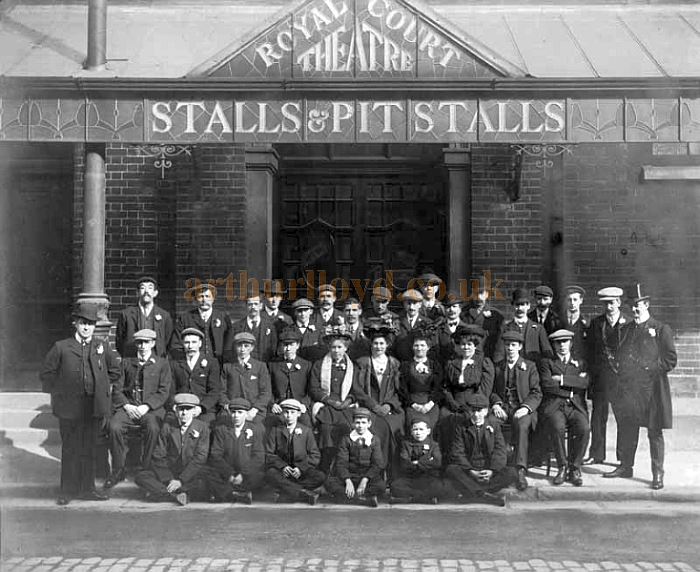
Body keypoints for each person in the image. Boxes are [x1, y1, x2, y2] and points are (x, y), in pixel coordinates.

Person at [40, 305, 120, 505]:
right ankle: (67, 491)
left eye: (90, 324)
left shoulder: (101, 347)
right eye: (83, 323)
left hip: (93, 407)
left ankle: (88, 489)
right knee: (71, 449)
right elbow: (46, 374)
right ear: (75, 324)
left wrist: (102, 387)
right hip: (69, 408)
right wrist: (60, 392)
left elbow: (115, 371)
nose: (86, 328)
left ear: (94, 327)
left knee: (90, 449)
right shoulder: (61, 347)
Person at [604, 287, 677, 490]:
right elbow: (619, 355)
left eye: (638, 305)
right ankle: (626, 466)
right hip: (631, 390)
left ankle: (657, 474)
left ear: (647, 305)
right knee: (628, 428)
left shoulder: (661, 329)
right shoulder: (626, 329)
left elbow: (670, 360)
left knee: (654, 432)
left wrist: (649, 368)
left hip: (652, 390)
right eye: (632, 306)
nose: (635, 309)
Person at [105, 328, 173, 489]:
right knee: (114, 427)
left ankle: (146, 468)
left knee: (153, 427)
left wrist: (147, 406)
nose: (143, 346)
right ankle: (118, 469)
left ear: (153, 344)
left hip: (150, 410)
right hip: (128, 407)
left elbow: (164, 391)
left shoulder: (162, 364)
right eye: (140, 342)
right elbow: (117, 389)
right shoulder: (126, 363)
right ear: (136, 344)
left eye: (146, 342)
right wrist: (127, 406)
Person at [134, 393, 210, 505]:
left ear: (194, 411)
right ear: (176, 410)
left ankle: (165, 493)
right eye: (181, 409)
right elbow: (158, 454)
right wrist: (170, 479)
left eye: (188, 409)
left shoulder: (202, 427)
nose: (184, 413)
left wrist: (181, 480)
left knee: (207, 480)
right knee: (141, 477)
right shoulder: (168, 426)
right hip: (170, 472)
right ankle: (176, 495)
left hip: (190, 473)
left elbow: (200, 457)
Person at [490, 330, 542, 491]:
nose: (510, 348)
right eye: (507, 345)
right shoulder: (498, 366)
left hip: (522, 408)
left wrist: (526, 408)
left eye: (513, 345)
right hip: (503, 407)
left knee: (522, 425)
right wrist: (496, 404)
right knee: (490, 423)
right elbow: (491, 390)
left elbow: (536, 392)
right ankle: (495, 466)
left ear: (519, 347)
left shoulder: (529, 367)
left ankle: (520, 469)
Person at [538, 329, 590, 486]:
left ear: (570, 343)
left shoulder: (580, 363)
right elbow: (547, 386)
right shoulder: (546, 363)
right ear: (553, 345)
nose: (562, 346)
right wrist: (573, 382)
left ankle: (575, 468)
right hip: (555, 406)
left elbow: (585, 383)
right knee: (557, 427)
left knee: (584, 428)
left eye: (565, 342)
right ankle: (562, 466)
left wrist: (560, 379)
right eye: (558, 343)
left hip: (575, 406)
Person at [445, 393, 515, 506]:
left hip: (488, 471)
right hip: (470, 470)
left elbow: (500, 450)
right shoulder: (461, 427)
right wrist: (471, 471)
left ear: (486, 411)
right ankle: (484, 495)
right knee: (451, 469)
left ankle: (473, 493)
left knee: (512, 473)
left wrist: (492, 471)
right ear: (468, 411)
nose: (476, 414)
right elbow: (457, 452)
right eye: (473, 410)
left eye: (480, 410)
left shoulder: (494, 425)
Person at [353, 322, 404, 476]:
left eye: (382, 343)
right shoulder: (362, 362)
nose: (378, 346)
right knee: (376, 428)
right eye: (375, 343)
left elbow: (400, 390)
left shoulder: (395, 364)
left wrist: (389, 405)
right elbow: (357, 388)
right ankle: (374, 474)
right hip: (369, 407)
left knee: (394, 428)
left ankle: (392, 474)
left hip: (390, 408)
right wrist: (373, 406)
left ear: (387, 345)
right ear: (371, 344)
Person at [584, 286, 627, 466]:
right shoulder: (596, 323)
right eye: (606, 303)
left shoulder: (628, 323)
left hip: (621, 380)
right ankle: (597, 454)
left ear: (618, 302)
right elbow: (590, 351)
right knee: (598, 417)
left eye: (612, 303)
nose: (609, 307)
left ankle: (624, 458)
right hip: (601, 379)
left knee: (622, 418)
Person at [439, 325, 494, 458]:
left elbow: (484, 389)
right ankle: (448, 458)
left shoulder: (483, 363)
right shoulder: (452, 363)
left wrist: (472, 405)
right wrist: (453, 404)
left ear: (475, 346)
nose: (466, 347)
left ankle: (470, 458)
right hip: (454, 402)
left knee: (468, 419)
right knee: (444, 417)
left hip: (475, 403)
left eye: (469, 344)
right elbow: (445, 387)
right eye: (463, 344)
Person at [309, 325, 358, 471]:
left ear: (345, 349)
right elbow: (314, 388)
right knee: (326, 430)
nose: (336, 350)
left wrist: (347, 402)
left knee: (348, 430)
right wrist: (330, 401)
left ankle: (343, 468)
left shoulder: (352, 367)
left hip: (346, 407)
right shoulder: (319, 365)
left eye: (339, 347)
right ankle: (324, 468)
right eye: (333, 347)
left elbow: (356, 389)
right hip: (327, 406)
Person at [204, 398, 265, 504]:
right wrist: (229, 474)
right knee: (208, 473)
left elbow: (258, 456)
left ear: (246, 414)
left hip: (245, 474)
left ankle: (225, 493)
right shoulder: (221, 429)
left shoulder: (255, 429)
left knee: (261, 475)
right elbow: (215, 454)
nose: (236, 416)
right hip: (227, 474)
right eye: (233, 412)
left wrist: (243, 474)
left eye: (240, 412)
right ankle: (238, 494)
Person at [265, 399, 325, 505]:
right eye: (286, 412)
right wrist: (282, 466)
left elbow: (315, 455)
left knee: (320, 476)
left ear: (298, 414)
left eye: (292, 412)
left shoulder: (306, 431)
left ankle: (288, 492)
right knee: (270, 474)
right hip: (284, 472)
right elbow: (269, 454)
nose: (289, 415)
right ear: (282, 414)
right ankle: (303, 494)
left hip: (301, 473)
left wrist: (301, 468)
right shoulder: (275, 430)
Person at [325, 408, 386, 507]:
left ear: (369, 424)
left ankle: (348, 498)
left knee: (381, 486)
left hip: (367, 476)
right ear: (353, 423)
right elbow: (341, 463)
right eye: (357, 422)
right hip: (350, 475)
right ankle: (363, 500)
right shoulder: (346, 439)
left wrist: (365, 480)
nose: (360, 426)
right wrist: (347, 480)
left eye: (363, 422)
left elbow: (377, 464)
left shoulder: (374, 440)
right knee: (329, 483)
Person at [390, 418, 456, 504]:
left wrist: (417, 462)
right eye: (415, 429)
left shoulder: (434, 445)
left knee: (442, 486)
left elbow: (437, 463)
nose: (418, 433)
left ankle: (411, 498)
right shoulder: (406, 444)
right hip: (411, 478)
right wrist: (427, 461)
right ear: (411, 431)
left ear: (428, 431)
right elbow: (404, 463)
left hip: (428, 477)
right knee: (395, 486)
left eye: (421, 429)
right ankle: (423, 498)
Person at [169, 327, 222, 426]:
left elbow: (214, 391)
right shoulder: (175, 363)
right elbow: (170, 389)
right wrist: (175, 406)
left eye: (194, 342)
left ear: (200, 343)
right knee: (168, 426)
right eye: (187, 342)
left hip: (202, 409)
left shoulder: (211, 363)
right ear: (182, 344)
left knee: (204, 427)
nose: (190, 346)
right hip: (180, 407)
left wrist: (201, 407)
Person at [220, 332, 271, 427]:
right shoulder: (227, 367)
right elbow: (221, 391)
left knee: (258, 429)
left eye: (246, 346)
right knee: (223, 428)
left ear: (252, 348)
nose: (242, 349)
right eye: (239, 345)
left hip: (254, 410)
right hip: (232, 409)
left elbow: (266, 392)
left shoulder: (260, 366)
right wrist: (227, 406)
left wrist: (255, 409)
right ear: (235, 347)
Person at [115, 276, 173, 359]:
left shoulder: (164, 316)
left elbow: (168, 341)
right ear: (137, 292)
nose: (146, 291)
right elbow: (119, 341)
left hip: (156, 361)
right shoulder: (126, 314)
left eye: (150, 288)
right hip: (133, 360)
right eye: (142, 288)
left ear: (155, 293)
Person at [174, 283, 232, 365]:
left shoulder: (223, 317)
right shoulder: (185, 318)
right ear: (195, 299)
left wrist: (225, 361)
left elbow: (229, 343)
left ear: (213, 298)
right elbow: (176, 344)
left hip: (218, 364)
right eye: (200, 296)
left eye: (207, 296)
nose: (204, 300)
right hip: (193, 364)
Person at [267, 328, 313, 427]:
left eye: (291, 345)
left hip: (298, 406)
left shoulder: (306, 365)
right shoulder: (273, 365)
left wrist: (304, 404)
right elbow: (267, 388)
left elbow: (311, 389)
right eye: (285, 345)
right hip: (279, 406)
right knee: (271, 424)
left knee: (306, 425)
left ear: (297, 346)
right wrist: (272, 404)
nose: (288, 349)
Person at [400, 330, 443, 431]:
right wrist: (413, 405)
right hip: (412, 404)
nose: (419, 348)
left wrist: (430, 404)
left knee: (431, 428)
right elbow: (402, 388)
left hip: (430, 404)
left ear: (428, 347)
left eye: (422, 345)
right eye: (416, 345)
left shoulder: (435, 365)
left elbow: (438, 386)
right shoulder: (405, 366)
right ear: (412, 347)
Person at [500, 288, 552, 364]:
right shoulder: (505, 328)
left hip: (534, 371)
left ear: (528, 306)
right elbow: (499, 354)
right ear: (513, 306)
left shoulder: (538, 329)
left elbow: (547, 354)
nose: (520, 308)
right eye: (517, 305)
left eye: (523, 305)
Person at [462, 275, 504, 362]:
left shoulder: (496, 316)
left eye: (481, 293)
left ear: (487, 294)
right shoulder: (463, 313)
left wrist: (496, 361)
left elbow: (499, 342)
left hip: (487, 358)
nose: (478, 298)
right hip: (467, 358)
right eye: (475, 293)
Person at [231, 292, 278, 363]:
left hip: (264, 368)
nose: (253, 307)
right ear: (246, 306)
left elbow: (274, 350)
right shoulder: (236, 327)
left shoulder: (270, 327)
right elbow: (232, 350)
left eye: (256, 304)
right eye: (250, 304)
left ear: (261, 306)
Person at [392, 289, 435, 362]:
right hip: (401, 364)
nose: (411, 307)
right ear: (404, 304)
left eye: (414, 303)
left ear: (420, 304)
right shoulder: (397, 322)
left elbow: (433, 347)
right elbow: (391, 346)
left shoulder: (428, 323)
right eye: (408, 303)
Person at [288, 298, 326, 362]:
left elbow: (323, 351)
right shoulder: (288, 330)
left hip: (313, 366)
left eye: (306, 310)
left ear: (311, 311)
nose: (303, 314)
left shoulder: (319, 330)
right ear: (295, 312)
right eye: (299, 311)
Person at [434, 293, 468, 362]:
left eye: (454, 306)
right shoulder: (438, 329)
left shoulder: (467, 329)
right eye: (448, 307)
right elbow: (436, 352)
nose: (451, 310)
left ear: (460, 309)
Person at [562, 285, 589, 361]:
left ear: (581, 300)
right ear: (565, 301)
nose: (572, 303)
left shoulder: (588, 322)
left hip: (581, 362)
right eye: (569, 300)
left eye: (575, 300)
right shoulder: (557, 321)